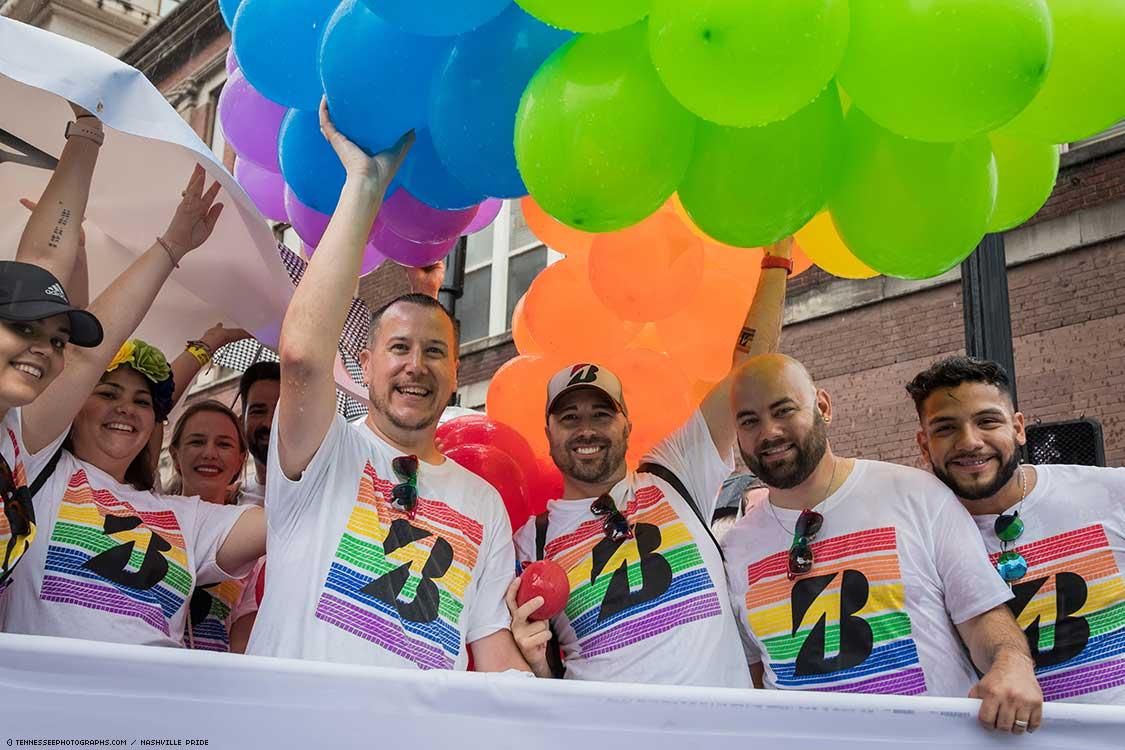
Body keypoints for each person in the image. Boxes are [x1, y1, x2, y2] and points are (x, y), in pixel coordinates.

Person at [246, 101, 528, 672]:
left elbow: (493, 652)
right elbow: (301, 356)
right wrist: (364, 188)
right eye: (399, 349)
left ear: (453, 374)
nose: (415, 366)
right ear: (366, 364)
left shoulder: (484, 504)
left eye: (434, 352)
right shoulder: (324, 451)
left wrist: (550, 686)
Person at [0, 166, 266, 648]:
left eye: (144, 403)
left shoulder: (187, 517)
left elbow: (299, 518)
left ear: (156, 426)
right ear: (75, 402)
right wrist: (171, 247)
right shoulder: (35, 470)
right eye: (108, 394)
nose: (127, 410)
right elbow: (85, 351)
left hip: (153, 722)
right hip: (40, 719)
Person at [507, 240, 793, 686]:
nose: (586, 430)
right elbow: (530, 669)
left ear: (626, 425)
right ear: (548, 434)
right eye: (569, 417)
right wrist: (537, 664)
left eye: (602, 414)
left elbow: (749, 372)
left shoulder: (673, 472)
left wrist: (776, 262)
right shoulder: (531, 543)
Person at [723, 353, 1042, 734]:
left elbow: (981, 619)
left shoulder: (917, 494)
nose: (769, 432)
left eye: (784, 410)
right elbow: (755, 674)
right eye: (749, 421)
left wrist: (1012, 664)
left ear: (822, 406)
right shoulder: (735, 548)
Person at [908, 356, 1125, 705]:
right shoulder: (918, 535)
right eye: (945, 428)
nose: (970, 442)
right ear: (923, 445)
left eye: (988, 421)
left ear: (1018, 428)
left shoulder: (1111, 493)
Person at [1, 105, 105, 595]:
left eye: (58, 340)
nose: (44, 350)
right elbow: (39, 261)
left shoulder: (14, 443)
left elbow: (45, 265)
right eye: (23, 328)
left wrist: (88, 133)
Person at [169, 400, 259, 653]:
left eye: (224, 444)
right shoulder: (145, 518)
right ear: (175, 455)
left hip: (210, 685)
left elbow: (242, 645)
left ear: (240, 459)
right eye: (197, 442)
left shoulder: (254, 551)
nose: (209, 453)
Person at [237, 361, 280, 507]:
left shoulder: (327, 498)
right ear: (242, 422)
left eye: (280, 411)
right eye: (258, 411)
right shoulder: (229, 500)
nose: (268, 423)